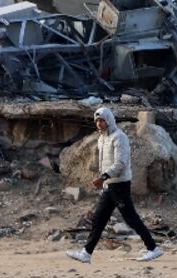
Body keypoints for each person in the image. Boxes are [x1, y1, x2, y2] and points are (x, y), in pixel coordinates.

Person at [65, 107, 164, 264]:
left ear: (109, 120)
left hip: (120, 185)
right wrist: (102, 178)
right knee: (98, 219)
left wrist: (103, 177)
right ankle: (86, 253)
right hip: (109, 185)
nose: (99, 123)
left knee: (131, 219)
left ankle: (153, 249)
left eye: (102, 120)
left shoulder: (119, 137)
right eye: (97, 120)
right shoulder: (102, 138)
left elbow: (121, 163)